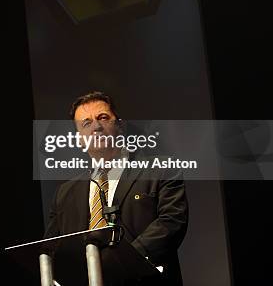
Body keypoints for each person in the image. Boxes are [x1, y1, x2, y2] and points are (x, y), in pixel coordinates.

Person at [44, 91, 188, 285]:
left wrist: (116, 264)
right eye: (86, 123)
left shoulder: (160, 169)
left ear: (120, 125)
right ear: (79, 139)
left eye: (103, 118)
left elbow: (171, 222)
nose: (96, 126)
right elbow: (52, 247)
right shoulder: (64, 193)